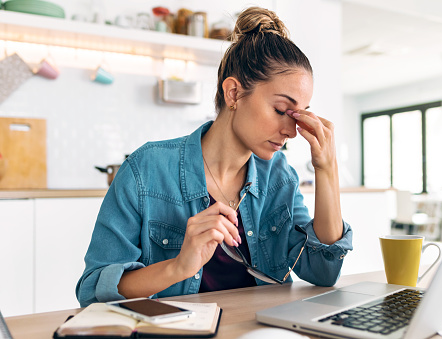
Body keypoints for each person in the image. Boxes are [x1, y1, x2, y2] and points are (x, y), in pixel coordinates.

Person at [76, 6, 353, 307]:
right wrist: (178, 267)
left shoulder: (279, 176)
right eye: (280, 110)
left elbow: (324, 270)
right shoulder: (146, 171)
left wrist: (327, 168)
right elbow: (92, 291)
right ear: (233, 93)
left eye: (299, 114)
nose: (291, 130)